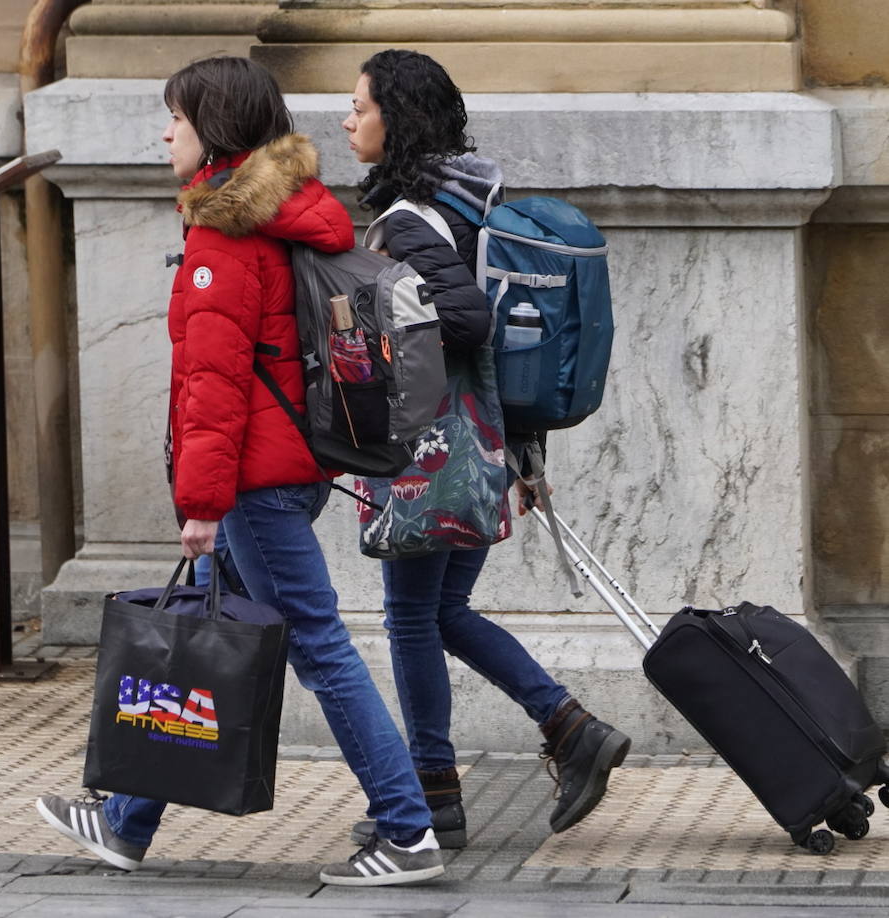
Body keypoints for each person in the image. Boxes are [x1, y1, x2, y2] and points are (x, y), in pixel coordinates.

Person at [35, 56, 445, 887]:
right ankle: (123, 822)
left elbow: (215, 388)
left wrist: (201, 502)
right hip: (284, 467)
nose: (165, 132)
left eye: (176, 119)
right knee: (197, 625)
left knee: (321, 649)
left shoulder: (225, 233)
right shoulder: (280, 216)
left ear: (213, 128)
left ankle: (408, 831)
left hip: (253, 481)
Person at [341, 49, 631, 848]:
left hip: (431, 446)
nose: (347, 120)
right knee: (444, 610)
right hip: (488, 439)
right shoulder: (472, 201)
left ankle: (436, 794)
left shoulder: (407, 217)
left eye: (359, 107)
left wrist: (379, 323)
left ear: (394, 119)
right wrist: (525, 455)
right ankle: (568, 728)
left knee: (412, 618)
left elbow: (470, 323)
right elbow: (508, 342)